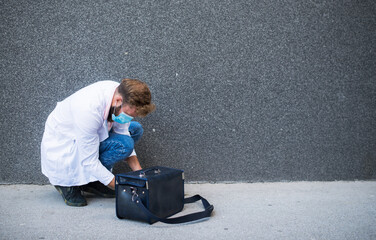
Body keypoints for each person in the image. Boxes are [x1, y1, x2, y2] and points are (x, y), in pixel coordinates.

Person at [41, 79, 155, 207]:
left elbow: (123, 132)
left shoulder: (121, 94)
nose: (129, 117)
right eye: (129, 113)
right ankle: (67, 184)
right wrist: (124, 190)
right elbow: (89, 160)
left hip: (88, 137)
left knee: (135, 129)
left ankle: (93, 180)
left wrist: (142, 177)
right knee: (124, 145)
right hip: (64, 149)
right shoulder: (88, 109)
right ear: (118, 101)